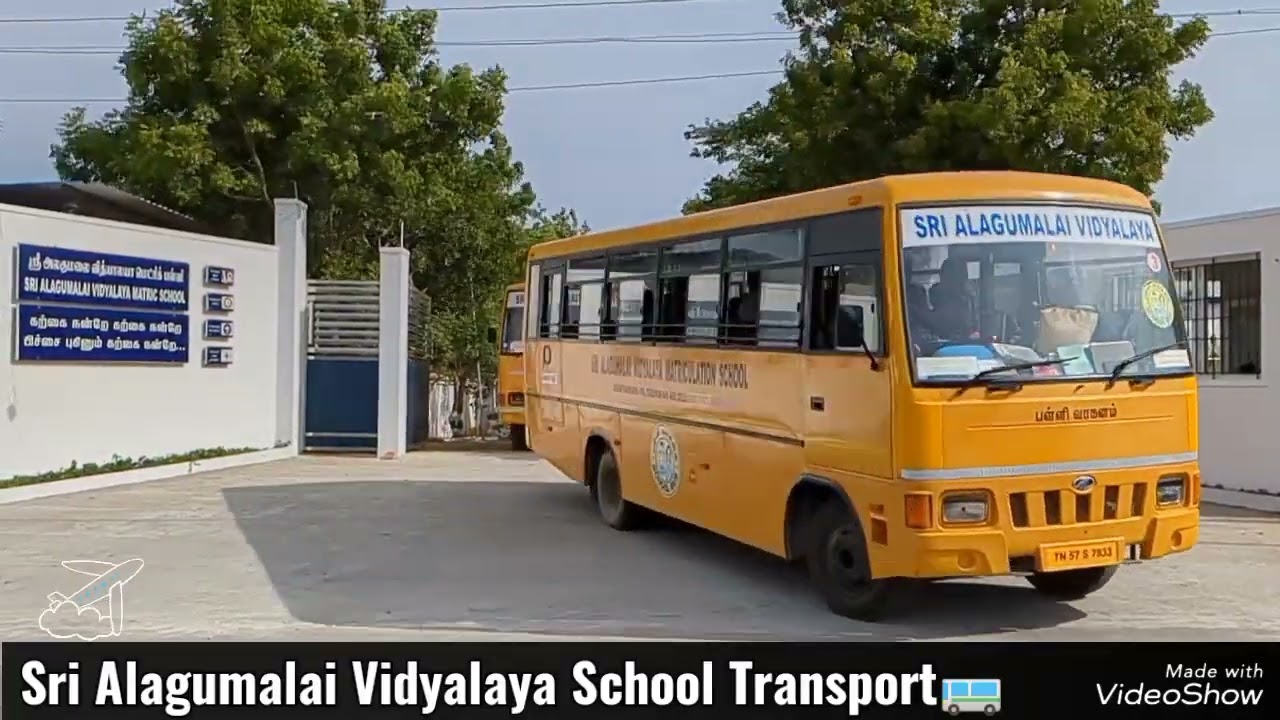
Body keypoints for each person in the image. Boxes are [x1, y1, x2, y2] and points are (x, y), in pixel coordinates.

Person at [930, 257, 980, 341]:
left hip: (969, 341)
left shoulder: (970, 297)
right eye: (946, 275)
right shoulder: (936, 293)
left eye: (954, 275)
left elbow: (977, 326)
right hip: (942, 341)